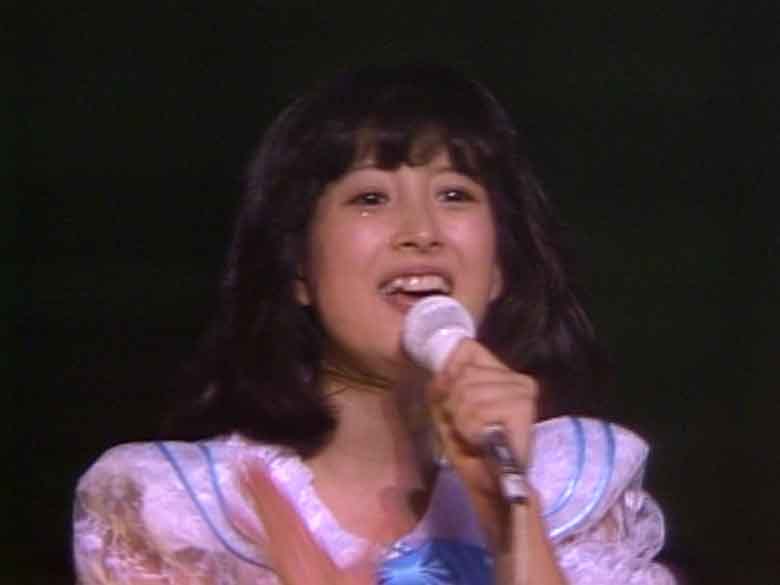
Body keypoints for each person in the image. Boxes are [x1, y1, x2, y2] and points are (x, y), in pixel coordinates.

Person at [72, 64, 676, 584]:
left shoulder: (575, 490)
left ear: (498, 268)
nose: (422, 231)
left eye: (455, 194)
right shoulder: (180, 511)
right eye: (370, 198)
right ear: (298, 268)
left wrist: (507, 515)